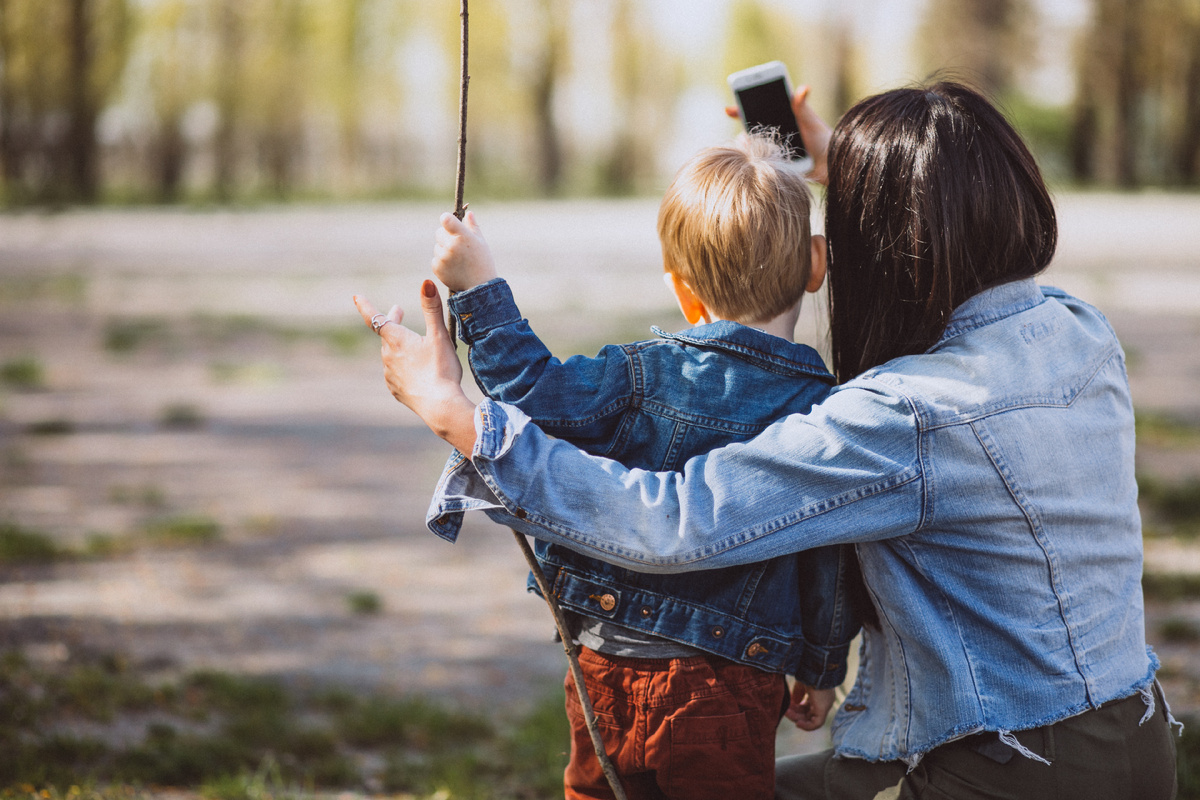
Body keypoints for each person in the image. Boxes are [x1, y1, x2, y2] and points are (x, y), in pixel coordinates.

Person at [354, 80, 1180, 799]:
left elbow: (675, 520)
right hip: (1138, 740)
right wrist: (841, 166)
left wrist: (459, 418)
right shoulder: (1076, 329)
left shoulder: (906, 415)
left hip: (1006, 769)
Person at [423, 133, 862, 800]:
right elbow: (830, 560)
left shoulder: (636, 378)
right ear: (816, 263)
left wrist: (480, 289)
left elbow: (532, 394)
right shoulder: (825, 414)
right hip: (729, 687)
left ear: (680, 286)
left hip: (601, 663)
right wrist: (823, 670)